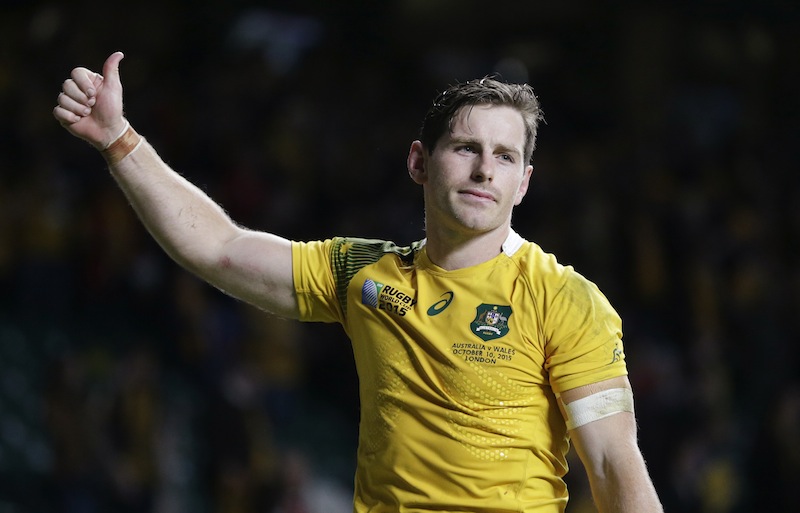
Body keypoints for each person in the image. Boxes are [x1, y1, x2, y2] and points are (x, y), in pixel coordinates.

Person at [54, 52, 664, 513]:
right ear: (419, 162)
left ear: (523, 183)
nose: (484, 169)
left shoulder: (563, 298)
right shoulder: (362, 273)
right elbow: (218, 247)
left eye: (505, 156)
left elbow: (613, 462)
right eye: (466, 147)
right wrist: (119, 141)